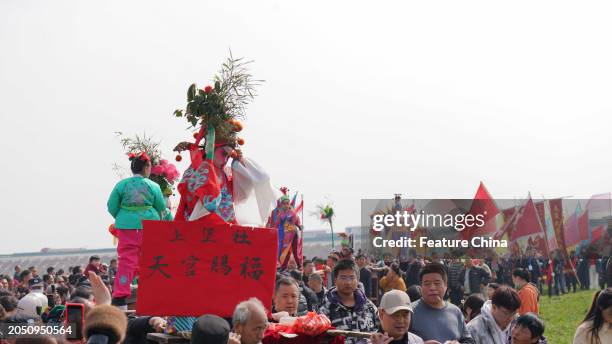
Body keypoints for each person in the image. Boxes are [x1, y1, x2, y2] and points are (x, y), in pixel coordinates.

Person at [107, 151, 166, 307]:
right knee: (152, 260)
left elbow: (111, 206)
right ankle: (154, 292)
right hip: (149, 226)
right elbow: (161, 206)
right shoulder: (154, 185)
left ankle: (120, 298)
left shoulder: (121, 185)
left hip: (126, 227)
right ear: (146, 167)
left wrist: (123, 216)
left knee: (126, 261)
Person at [409, 263, 474, 344]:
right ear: (421, 287)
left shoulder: (455, 311)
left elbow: (468, 340)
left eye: (437, 283)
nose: (432, 288)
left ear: (445, 286)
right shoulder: (409, 312)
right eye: (427, 284)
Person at [319, 259, 379, 344]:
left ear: (358, 280)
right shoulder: (326, 309)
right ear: (335, 280)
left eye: (352, 277)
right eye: (343, 278)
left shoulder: (369, 307)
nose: (348, 282)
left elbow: (379, 331)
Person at [267, 188, 303, 270]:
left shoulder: (293, 212)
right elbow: (277, 224)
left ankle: (299, 265)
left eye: (287, 203)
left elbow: (297, 221)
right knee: (285, 251)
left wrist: (300, 226)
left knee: (295, 250)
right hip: (285, 236)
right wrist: (272, 230)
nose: (286, 205)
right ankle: (283, 266)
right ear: (281, 204)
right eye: (284, 203)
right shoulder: (281, 214)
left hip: (293, 234)